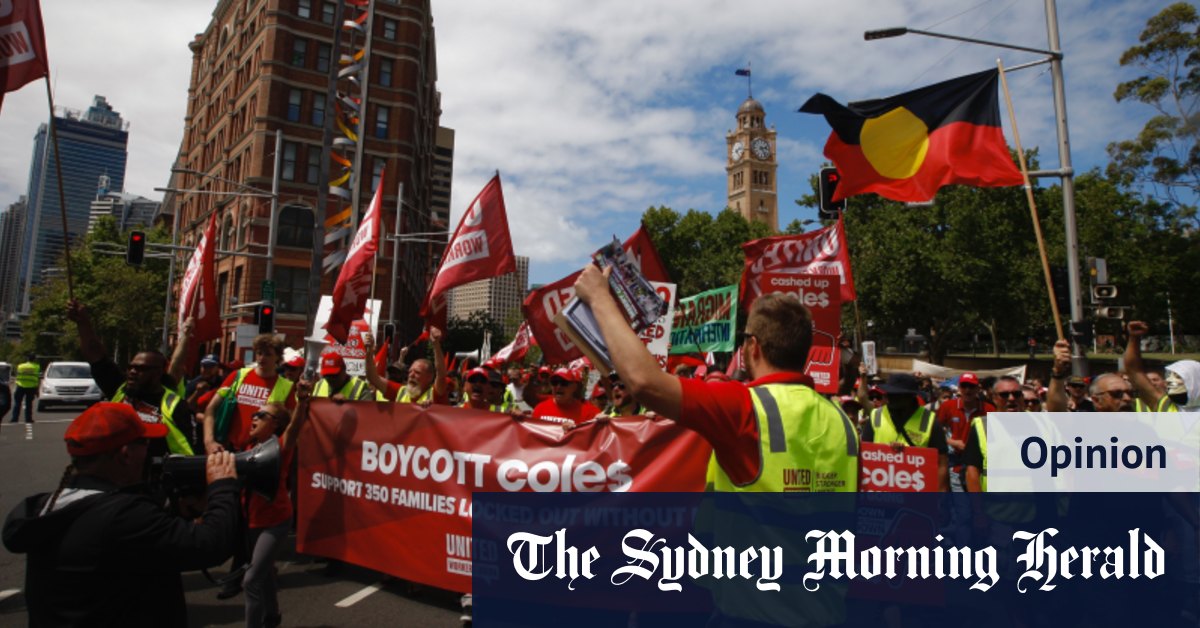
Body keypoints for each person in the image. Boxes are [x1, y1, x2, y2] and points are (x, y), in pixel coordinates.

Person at [574, 265, 858, 492]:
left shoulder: (743, 408)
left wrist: (599, 298)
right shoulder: (844, 423)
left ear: (753, 346)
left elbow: (645, 383)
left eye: (745, 338)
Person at [3, 403, 238, 626]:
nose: (150, 451)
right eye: (145, 443)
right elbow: (210, 544)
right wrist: (222, 485)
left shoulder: (47, 506)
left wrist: (173, 511)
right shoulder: (123, 516)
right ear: (125, 454)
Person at [67, 301, 193, 456]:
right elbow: (94, 352)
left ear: (158, 373)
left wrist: (186, 335)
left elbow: (177, 366)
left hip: (158, 473)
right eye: (131, 367)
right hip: (118, 470)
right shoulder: (120, 388)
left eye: (142, 369)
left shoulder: (174, 404)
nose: (133, 372)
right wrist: (83, 323)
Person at [241, 390, 310, 628]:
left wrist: (301, 401)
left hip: (275, 521)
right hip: (251, 520)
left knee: (251, 580)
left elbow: (295, 427)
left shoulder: (280, 447)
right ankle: (272, 615)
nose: (255, 418)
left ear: (276, 424)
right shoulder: (248, 446)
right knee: (265, 571)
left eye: (262, 415)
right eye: (255, 413)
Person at [862, 373, 950, 491]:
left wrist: (939, 495)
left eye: (897, 395)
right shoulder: (875, 416)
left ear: (911, 396)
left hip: (916, 494)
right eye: (889, 393)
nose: (891, 398)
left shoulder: (930, 421)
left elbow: (942, 463)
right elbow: (865, 455)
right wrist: (888, 454)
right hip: (881, 494)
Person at [936, 372, 993, 492]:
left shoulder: (989, 409)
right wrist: (952, 442)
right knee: (961, 504)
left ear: (978, 388)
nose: (967, 390)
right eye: (964, 386)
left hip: (980, 463)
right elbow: (935, 432)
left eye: (971, 386)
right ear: (959, 388)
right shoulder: (948, 406)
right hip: (955, 462)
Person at [1125, 320, 1200, 413]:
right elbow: (1134, 371)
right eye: (1169, 376)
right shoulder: (1164, 405)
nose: (1169, 380)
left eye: (1178, 376)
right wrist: (1134, 338)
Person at [362, 329, 447, 405]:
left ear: (430, 377)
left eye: (417, 372)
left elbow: (441, 373)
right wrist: (369, 352)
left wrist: (436, 345)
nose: (411, 375)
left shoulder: (435, 393)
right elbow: (373, 378)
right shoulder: (401, 391)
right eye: (410, 372)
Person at [530, 368, 601, 426]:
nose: (558, 386)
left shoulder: (589, 413)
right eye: (554, 382)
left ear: (574, 387)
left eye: (564, 383)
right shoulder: (540, 409)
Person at [11, 353, 38, 424]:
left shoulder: (20, 366)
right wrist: (37, 390)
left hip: (20, 386)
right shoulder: (36, 366)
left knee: (17, 403)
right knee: (29, 404)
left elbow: (17, 375)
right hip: (31, 387)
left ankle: (14, 419)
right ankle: (28, 419)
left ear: (27, 358)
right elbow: (37, 378)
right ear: (34, 359)